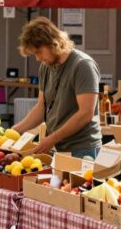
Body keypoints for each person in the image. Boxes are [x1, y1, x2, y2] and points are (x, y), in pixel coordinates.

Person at [12, 17, 102, 158]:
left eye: (39, 52)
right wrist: (16, 130)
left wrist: (53, 138)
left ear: (52, 43)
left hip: (83, 149)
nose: (37, 58)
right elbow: (41, 108)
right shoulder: (45, 67)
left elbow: (86, 113)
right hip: (58, 147)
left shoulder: (83, 65)